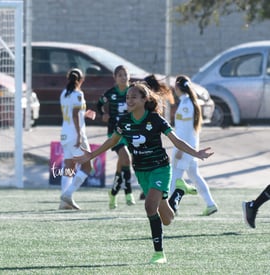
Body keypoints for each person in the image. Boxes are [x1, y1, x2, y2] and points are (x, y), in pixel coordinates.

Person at [74, 82, 213, 264]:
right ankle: (179, 192)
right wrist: (91, 155)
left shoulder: (155, 119)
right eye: (127, 97)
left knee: (149, 207)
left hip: (160, 168)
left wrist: (196, 153)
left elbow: (176, 140)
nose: (129, 100)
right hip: (141, 171)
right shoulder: (124, 121)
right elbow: (112, 141)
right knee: (167, 219)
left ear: (144, 99)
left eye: (133, 97)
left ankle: (159, 254)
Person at [167, 75, 218, 216]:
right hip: (190, 148)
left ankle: (169, 208)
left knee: (174, 177)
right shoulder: (188, 103)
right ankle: (210, 204)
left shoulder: (186, 105)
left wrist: (181, 150)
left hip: (185, 148)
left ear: (178, 88)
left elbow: (186, 131)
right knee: (195, 176)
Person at [97, 65, 135, 209]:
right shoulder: (110, 93)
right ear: (115, 78)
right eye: (120, 75)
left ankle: (113, 193)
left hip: (130, 131)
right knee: (125, 158)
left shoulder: (133, 92)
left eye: (125, 74)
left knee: (122, 163)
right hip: (114, 132)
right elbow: (98, 104)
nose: (123, 77)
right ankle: (128, 192)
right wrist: (103, 114)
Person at [58, 68, 95, 210]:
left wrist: (84, 115)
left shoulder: (64, 94)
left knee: (69, 167)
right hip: (75, 134)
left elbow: (74, 113)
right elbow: (74, 114)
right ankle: (68, 194)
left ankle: (64, 202)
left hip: (65, 134)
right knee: (87, 166)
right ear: (81, 80)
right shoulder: (78, 94)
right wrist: (79, 135)